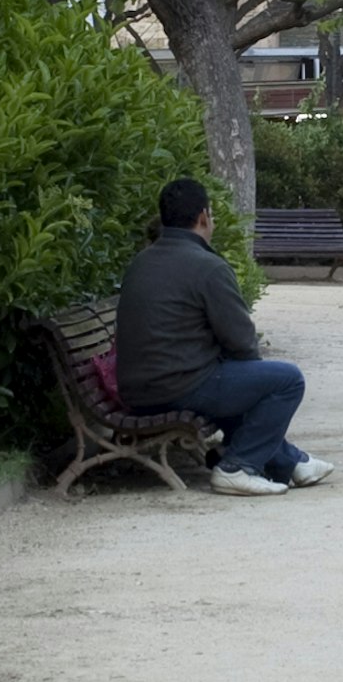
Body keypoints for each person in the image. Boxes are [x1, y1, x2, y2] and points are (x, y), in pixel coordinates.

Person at [115, 174, 328, 494]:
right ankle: (237, 467)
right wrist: (252, 381)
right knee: (286, 380)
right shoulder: (208, 266)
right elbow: (242, 343)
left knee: (235, 382)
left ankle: (289, 462)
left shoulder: (141, 262)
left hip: (138, 390)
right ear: (204, 217)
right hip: (177, 387)